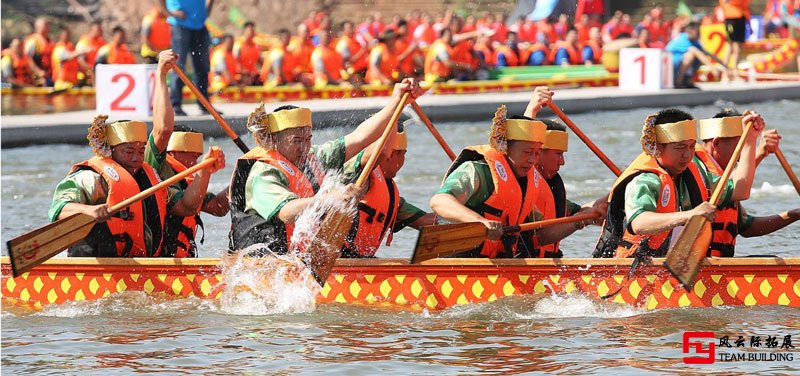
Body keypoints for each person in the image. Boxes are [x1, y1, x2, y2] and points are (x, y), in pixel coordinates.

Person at [47, 51, 226, 258]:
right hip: (96, 265)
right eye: (128, 151)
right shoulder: (90, 177)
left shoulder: (153, 179)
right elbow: (58, 208)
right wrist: (91, 211)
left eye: (141, 151)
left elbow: (186, 206)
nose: (137, 157)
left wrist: (206, 172)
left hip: (142, 266)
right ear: (110, 151)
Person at [228, 78, 423, 255]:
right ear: (274, 140)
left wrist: (396, 102)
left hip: (293, 260)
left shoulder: (314, 157)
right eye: (297, 141)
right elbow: (287, 212)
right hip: (258, 265)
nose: (304, 147)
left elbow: (360, 137)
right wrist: (332, 198)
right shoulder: (264, 171)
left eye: (308, 139)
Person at [429, 90, 600, 258]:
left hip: (498, 265)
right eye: (527, 152)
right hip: (458, 265)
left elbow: (542, 235)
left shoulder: (527, 183)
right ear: (506, 148)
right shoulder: (478, 171)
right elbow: (439, 201)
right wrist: (480, 221)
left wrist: (579, 221)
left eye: (537, 153)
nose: (533, 160)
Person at [594, 108, 765, 258]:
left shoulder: (693, 172)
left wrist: (750, 139)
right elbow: (639, 223)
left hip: (669, 267)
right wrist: (690, 215)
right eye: (680, 148)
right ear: (659, 148)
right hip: (627, 270)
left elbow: (740, 191)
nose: (687, 155)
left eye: (691, 146)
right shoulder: (646, 180)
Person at [695, 109, 799, 256]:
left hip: (720, 267)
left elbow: (747, 227)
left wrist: (794, 214)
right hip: (698, 269)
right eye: (741, 148)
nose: (743, 157)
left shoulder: (720, 176)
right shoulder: (697, 170)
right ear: (716, 143)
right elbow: (740, 188)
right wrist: (753, 143)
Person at [340, 125, 436, 257]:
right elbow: (374, 154)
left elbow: (426, 221)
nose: (403, 160)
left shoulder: (390, 193)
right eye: (403, 154)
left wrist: (466, 220)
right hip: (336, 260)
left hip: (362, 261)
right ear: (391, 155)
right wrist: (392, 120)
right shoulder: (359, 176)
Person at [161, 126, 229, 257]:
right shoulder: (159, 176)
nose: (196, 163)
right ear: (173, 153)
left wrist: (241, 176)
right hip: (162, 262)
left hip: (184, 258)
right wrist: (206, 171)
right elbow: (162, 129)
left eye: (198, 158)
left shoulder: (189, 182)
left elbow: (218, 207)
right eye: (193, 157)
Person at [163, 0, 216, 116]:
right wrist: (169, 12)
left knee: (203, 66)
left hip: (200, 26)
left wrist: (206, 10)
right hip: (179, 24)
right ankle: (175, 104)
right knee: (178, 65)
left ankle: (204, 104)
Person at [665, 22, 730, 89]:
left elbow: (708, 53)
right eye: (697, 31)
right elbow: (695, 51)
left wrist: (725, 66)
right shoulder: (682, 39)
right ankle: (678, 82)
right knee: (692, 54)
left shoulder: (694, 41)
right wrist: (712, 68)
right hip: (671, 68)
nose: (699, 34)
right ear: (689, 31)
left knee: (700, 56)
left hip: (680, 66)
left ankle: (688, 81)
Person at [720, 0, 750, 70]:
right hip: (731, 18)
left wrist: (748, 20)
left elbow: (745, 4)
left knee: (736, 46)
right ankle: (729, 73)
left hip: (741, 17)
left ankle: (733, 72)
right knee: (732, 46)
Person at [24, 17, 54, 86]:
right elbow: (28, 59)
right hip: (36, 77)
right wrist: (39, 72)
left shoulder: (50, 41)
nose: (48, 28)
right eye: (45, 26)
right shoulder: (32, 41)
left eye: (48, 26)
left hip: (49, 76)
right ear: (38, 27)